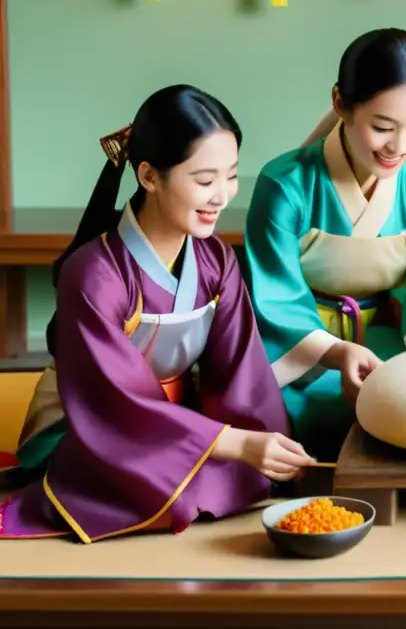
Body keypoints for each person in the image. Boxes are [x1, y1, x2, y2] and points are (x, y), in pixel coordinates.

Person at [0, 85, 312, 543]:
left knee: (247, 476)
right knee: (178, 488)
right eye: (204, 181)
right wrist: (238, 444)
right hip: (94, 423)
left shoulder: (216, 262)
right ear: (148, 176)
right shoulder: (95, 274)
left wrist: (260, 444)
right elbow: (111, 402)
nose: (222, 196)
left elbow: (239, 373)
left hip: (178, 425)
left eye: (231, 176)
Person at [243, 28, 406, 462]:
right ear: (341, 103)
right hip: (304, 356)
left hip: (390, 347)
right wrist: (336, 354)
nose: (399, 147)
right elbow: (274, 299)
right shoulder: (284, 184)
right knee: (279, 417)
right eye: (382, 127)